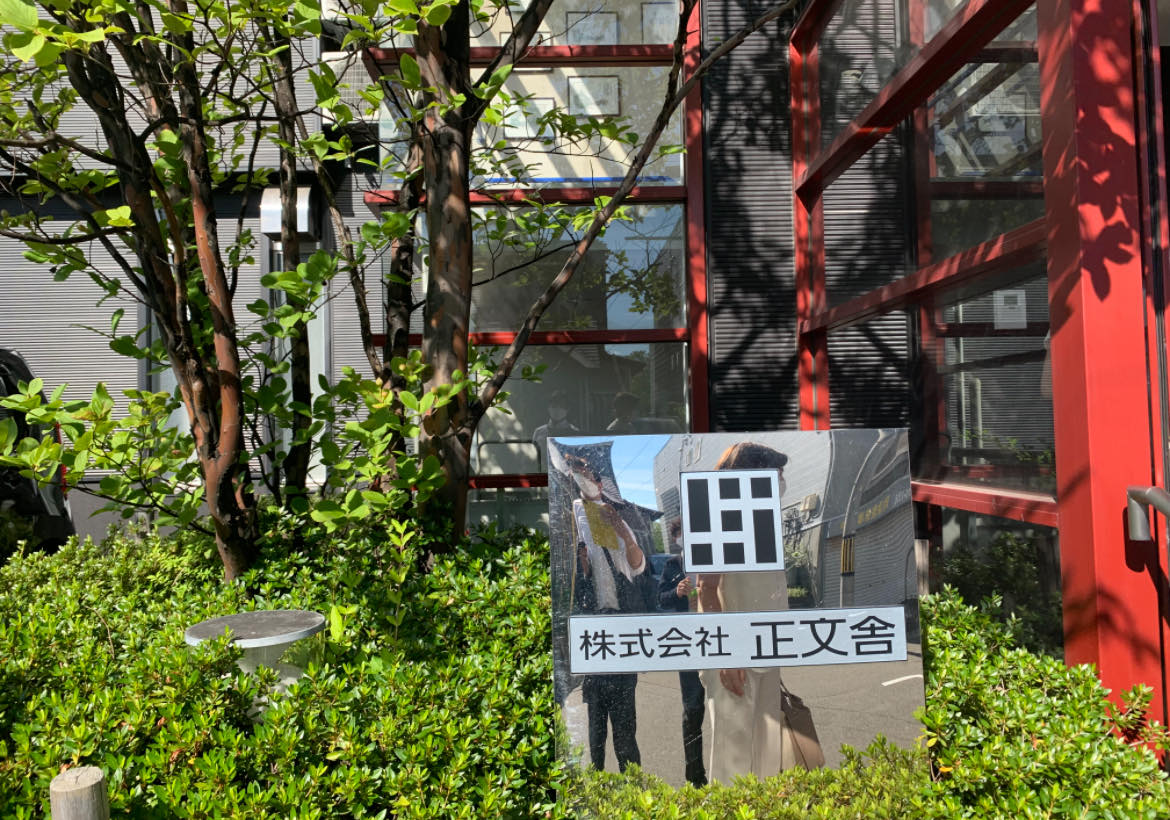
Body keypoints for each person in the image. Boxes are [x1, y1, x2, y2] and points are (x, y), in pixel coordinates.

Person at [697, 441, 793, 783]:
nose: (781, 481)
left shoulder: (761, 521)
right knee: (733, 763)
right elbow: (706, 588)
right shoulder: (719, 517)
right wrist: (726, 653)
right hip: (734, 657)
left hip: (766, 649)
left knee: (766, 757)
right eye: (775, 474)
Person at [568, 454, 650, 773]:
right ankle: (598, 783)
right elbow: (579, 577)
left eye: (586, 474)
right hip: (593, 628)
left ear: (600, 484)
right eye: (576, 474)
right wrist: (582, 564)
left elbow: (637, 566)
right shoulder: (572, 514)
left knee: (625, 724)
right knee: (596, 725)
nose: (582, 479)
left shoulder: (614, 515)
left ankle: (632, 786)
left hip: (620, 628)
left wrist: (623, 533)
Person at [657, 517, 707, 786]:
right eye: (680, 533)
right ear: (676, 538)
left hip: (717, 639)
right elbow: (660, 599)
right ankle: (696, 776)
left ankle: (728, 771)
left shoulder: (714, 561)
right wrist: (676, 592)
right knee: (693, 709)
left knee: (724, 708)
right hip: (686, 642)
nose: (685, 537)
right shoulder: (672, 565)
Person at [532, 389, 579, 468]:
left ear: (567, 409)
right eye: (554, 406)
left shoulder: (575, 432)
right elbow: (534, 458)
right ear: (549, 408)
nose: (557, 409)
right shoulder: (539, 432)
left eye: (561, 406)